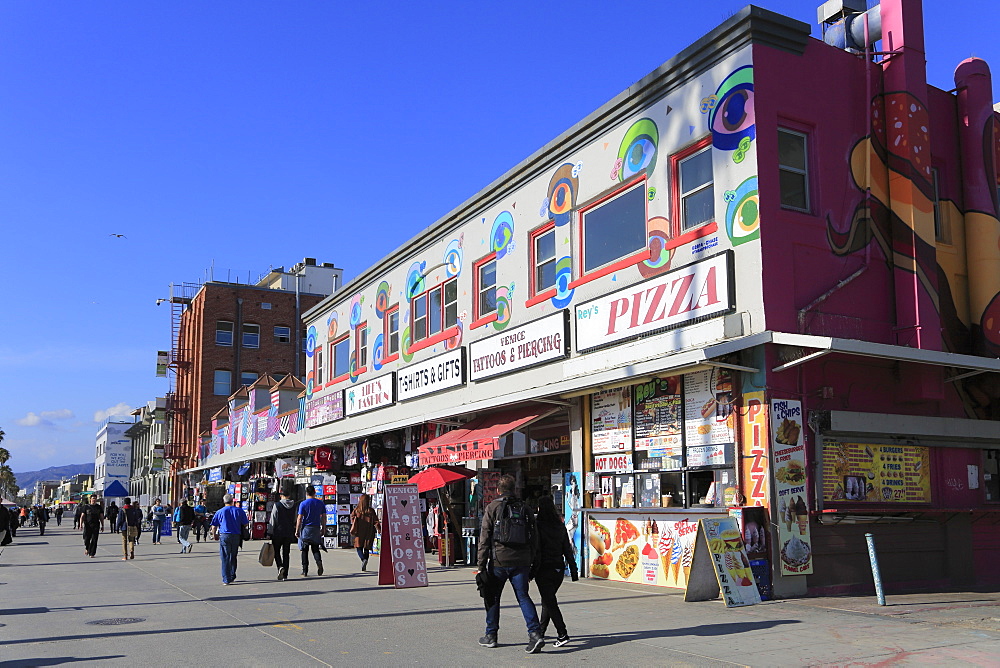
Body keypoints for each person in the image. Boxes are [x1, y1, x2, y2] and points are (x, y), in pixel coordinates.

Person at [477, 474, 544, 654]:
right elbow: (534, 538)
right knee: (523, 597)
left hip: (499, 561)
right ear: (515, 489)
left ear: (498, 490)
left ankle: (491, 635)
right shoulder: (525, 508)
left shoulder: (492, 507)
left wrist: (480, 566)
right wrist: (533, 563)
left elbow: (484, 538)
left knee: (493, 597)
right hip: (522, 561)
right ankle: (535, 633)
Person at [533, 495, 578, 647]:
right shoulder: (559, 526)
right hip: (558, 568)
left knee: (550, 602)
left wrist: (531, 571)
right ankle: (541, 631)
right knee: (548, 600)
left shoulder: (538, 525)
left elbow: (537, 550)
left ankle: (562, 633)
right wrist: (573, 569)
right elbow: (567, 549)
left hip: (543, 569)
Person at [210, 493, 249, 585]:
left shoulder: (219, 512)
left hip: (224, 535)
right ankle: (232, 575)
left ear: (224, 502)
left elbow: (214, 526)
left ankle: (226, 579)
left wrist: (215, 535)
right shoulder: (239, 511)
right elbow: (246, 524)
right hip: (236, 535)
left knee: (225, 557)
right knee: (233, 555)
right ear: (232, 501)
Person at [295, 485, 326, 577]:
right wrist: (323, 528)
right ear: (314, 492)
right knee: (315, 548)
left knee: (304, 550)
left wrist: (297, 530)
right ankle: (319, 562)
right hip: (316, 528)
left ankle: (305, 570)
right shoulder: (320, 503)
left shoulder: (303, 504)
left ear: (306, 493)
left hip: (306, 529)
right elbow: (324, 517)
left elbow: (300, 518)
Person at [268, 488, 297, 581]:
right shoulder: (294, 505)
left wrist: (270, 531)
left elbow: (273, 519)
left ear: (281, 495)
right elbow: (295, 519)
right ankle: (285, 574)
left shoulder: (277, 505)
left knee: (276, 551)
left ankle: (280, 566)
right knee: (286, 553)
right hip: (288, 532)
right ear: (289, 496)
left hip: (278, 532)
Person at [350, 493, 378, 571]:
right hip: (369, 531)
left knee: (359, 547)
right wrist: (379, 529)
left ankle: (363, 559)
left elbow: (352, 519)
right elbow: (376, 521)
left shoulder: (356, 510)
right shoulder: (371, 511)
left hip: (359, 532)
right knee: (366, 548)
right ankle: (365, 560)